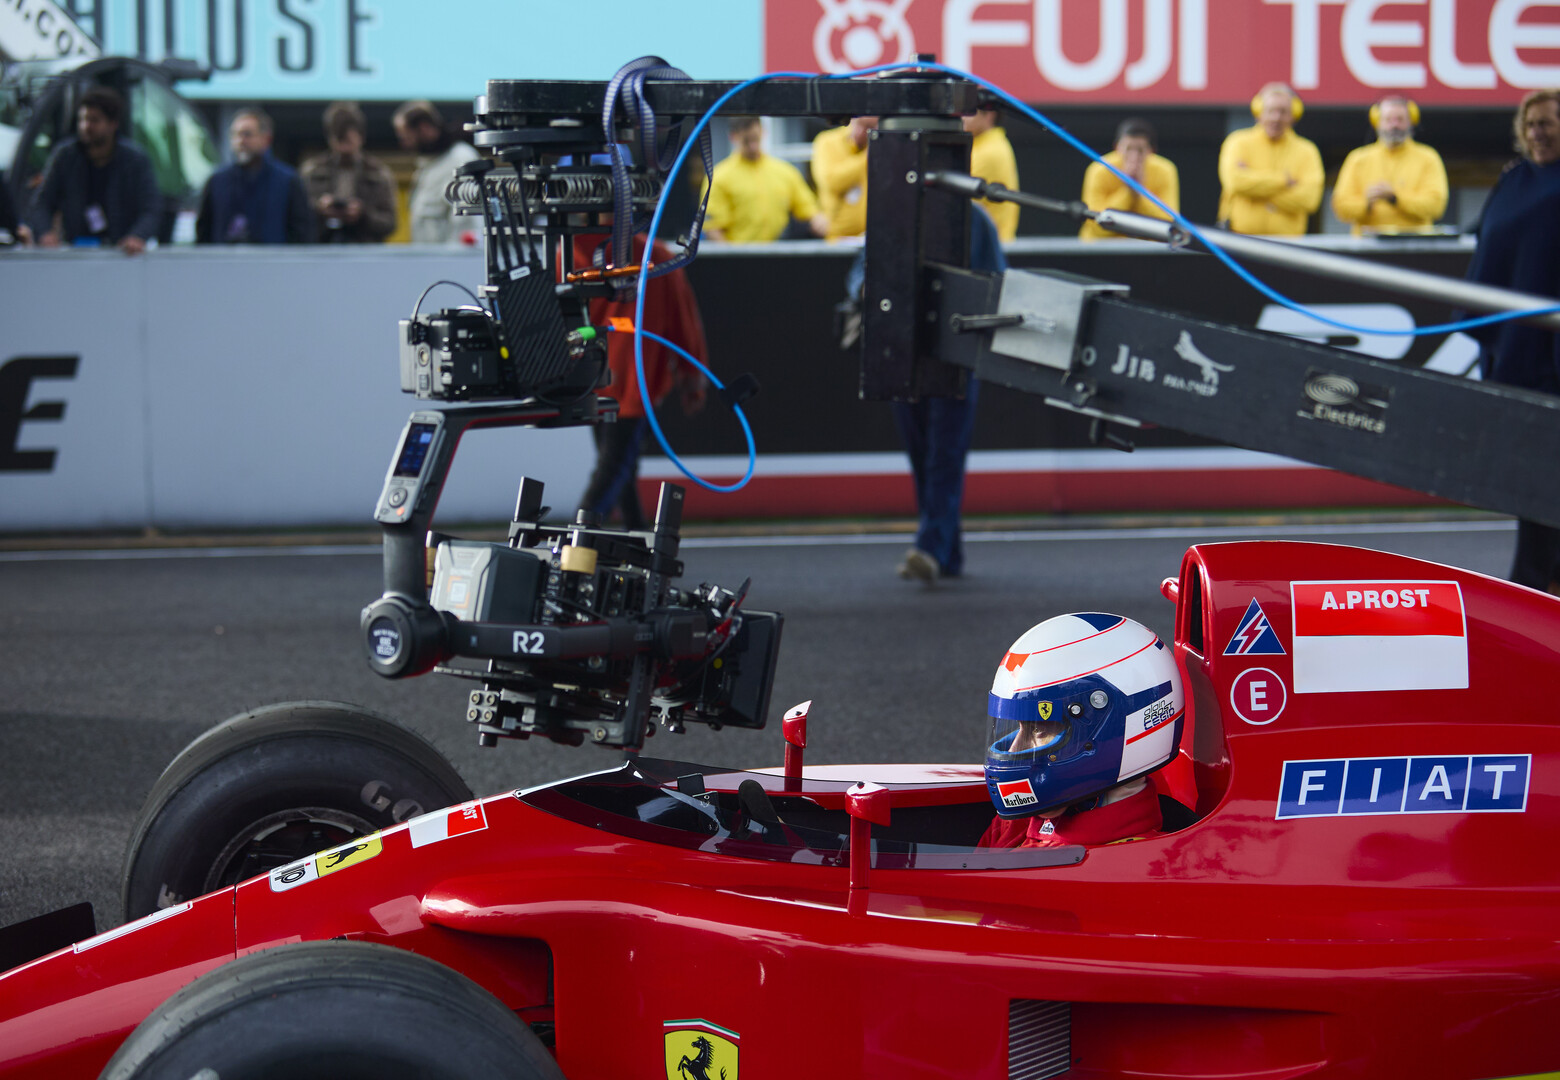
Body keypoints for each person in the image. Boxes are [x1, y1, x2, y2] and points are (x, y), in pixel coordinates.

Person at [979, 613, 1185, 849]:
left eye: (1037, 730)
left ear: (1107, 728)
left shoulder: (1132, 865)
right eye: (1019, 727)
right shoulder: (1020, 822)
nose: (1015, 748)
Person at [1465, 88, 1560, 593]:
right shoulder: (1513, 180)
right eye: (1531, 125)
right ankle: (1539, 582)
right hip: (1517, 351)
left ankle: (1535, 582)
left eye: (1547, 123)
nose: (1538, 133)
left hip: (1553, 354)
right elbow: (1488, 252)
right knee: (1534, 477)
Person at [891, 205, 1005, 584]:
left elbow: (996, 281)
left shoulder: (976, 221)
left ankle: (930, 546)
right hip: (906, 354)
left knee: (944, 453)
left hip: (955, 355)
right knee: (925, 453)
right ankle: (946, 550)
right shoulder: (894, 212)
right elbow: (863, 267)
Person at [574, 231, 708, 530]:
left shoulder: (569, 251)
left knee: (617, 465)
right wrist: (692, 375)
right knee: (615, 466)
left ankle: (636, 535)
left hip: (592, 379)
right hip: (634, 382)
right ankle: (580, 539)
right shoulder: (655, 255)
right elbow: (683, 319)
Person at [28, 86, 161, 254]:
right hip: (74, 252)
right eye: (82, 119)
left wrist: (137, 236)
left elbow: (151, 208)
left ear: (113, 124)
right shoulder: (65, 156)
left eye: (94, 120)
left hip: (121, 254)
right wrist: (45, 233)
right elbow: (41, 203)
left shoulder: (135, 160)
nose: (86, 126)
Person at [1217, 83, 1323, 236]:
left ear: (1294, 114)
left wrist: (1254, 189)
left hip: (1288, 244)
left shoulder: (1307, 150)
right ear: (1258, 112)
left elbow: (1309, 200)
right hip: (1239, 240)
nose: (1276, 118)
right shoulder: (1237, 142)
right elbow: (1235, 182)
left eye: (1283, 111)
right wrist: (1283, 181)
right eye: (1271, 111)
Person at [1331, 97, 1448, 235]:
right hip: (1367, 246)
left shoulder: (1428, 157)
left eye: (1400, 119)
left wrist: (1395, 198)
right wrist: (1366, 203)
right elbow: (1341, 207)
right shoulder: (1358, 159)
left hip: (1414, 244)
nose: (1394, 125)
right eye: (1388, 120)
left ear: (1411, 122)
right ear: (1377, 123)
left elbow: (1436, 206)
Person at [196, 109, 314, 244]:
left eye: (247, 135)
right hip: (225, 262)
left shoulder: (288, 181)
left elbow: (302, 233)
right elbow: (203, 233)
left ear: (266, 139)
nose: (240, 141)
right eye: (235, 135)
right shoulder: (217, 182)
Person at [704, 116, 827, 243]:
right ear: (733, 137)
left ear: (763, 132)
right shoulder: (720, 177)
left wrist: (818, 220)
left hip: (776, 253)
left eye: (755, 139)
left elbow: (807, 208)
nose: (752, 146)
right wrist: (730, 259)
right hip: (739, 255)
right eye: (747, 141)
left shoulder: (784, 171)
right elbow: (713, 229)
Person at [301, 102, 397, 244]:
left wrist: (363, 215)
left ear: (361, 136)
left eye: (348, 141)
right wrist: (320, 210)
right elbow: (298, 219)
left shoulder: (378, 173)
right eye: (339, 141)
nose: (343, 149)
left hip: (365, 252)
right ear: (329, 138)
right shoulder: (312, 171)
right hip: (322, 249)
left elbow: (390, 223)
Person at [1078, 118, 1179, 240]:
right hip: (1102, 248)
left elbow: (1168, 226)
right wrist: (1128, 192)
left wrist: (1139, 192)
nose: (1134, 157)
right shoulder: (1099, 170)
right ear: (1117, 148)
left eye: (1140, 150)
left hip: (1148, 249)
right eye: (1128, 149)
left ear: (1151, 151)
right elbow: (1096, 227)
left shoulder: (1165, 170)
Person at [394, 100, 480, 245]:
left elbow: (467, 224)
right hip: (430, 262)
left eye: (406, 137)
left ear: (424, 128)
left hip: (451, 264)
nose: (404, 144)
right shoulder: (427, 166)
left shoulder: (461, 159)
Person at [811, 116, 876, 239]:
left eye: (869, 127)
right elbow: (831, 181)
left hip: (872, 236)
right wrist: (867, 157)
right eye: (859, 124)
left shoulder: (880, 147)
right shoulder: (827, 141)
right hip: (836, 238)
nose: (861, 132)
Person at [963, 106, 1020, 241]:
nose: (962, 117)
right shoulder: (989, 144)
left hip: (989, 251)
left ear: (989, 114)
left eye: (969, 111)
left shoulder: (988, 153)